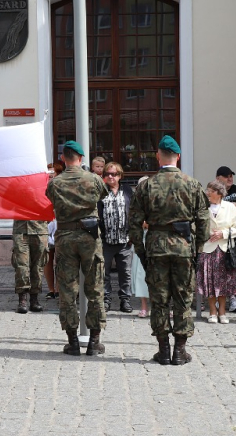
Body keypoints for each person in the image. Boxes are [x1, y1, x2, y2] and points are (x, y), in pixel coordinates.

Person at [130, 136, 209, 365]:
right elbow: (204, 221)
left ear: (158, 155)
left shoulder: (146, 185)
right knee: (183, 298)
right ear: (178, 157)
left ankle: (164, 350)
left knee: (160, 299)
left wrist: (140, 249)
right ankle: (179, 351)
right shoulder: (192, 184)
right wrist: (198, 249)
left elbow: (134, 222)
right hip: (184, 248)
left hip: (156, 248)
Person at [46, 140, 107, 356]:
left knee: (67, 290)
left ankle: (72, 341)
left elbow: (50, 199)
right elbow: (103, 196)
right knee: (95, 288)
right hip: (89, 237)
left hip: (65, 237)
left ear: (63, 157)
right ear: (80, 158)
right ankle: (94, 342)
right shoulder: (94, 179)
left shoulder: (55, 183)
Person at [197, 180, 236, 325]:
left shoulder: (230, 207)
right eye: (207, 189)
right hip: (208, 249)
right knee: (209, 282)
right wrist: (207, 234)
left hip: (224, 250)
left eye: (211, 190)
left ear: (219, 193)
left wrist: (223, 233)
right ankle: (212, 312)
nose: (207, 192)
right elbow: (196, 225)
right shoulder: (203, 207)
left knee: (223, 283)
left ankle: (222, 312)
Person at [98, 161, 134, 313]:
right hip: (105, 240)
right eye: (107, 174)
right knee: (104, 273)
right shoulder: (100, 191)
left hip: (124, 240)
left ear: (120, 176)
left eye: (114, 174)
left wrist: (133, 232)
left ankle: (125, 300)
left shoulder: (127, 190)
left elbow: (134, 212)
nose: (111, 177)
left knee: (125, 273)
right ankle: (106, 300)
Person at [216, 165, 236, 313]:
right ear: (218, 178)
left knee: (235, 266)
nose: (230, 178)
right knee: (218, 268)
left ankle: (233, 297)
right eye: (226, 176)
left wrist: (225, 207)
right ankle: (219, 298)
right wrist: (234, 206)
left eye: (231, 175)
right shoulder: (213, 191)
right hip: (218, 236)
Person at [12, 218, 49, 314]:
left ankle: (34, 299)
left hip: (40, 230)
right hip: (21, 230)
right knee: (22, 266)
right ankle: (22, 300)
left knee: (38, 267)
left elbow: (51, 207)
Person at [130, 176, 150, 318]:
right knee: (141, 274)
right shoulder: (135, 201)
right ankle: (144, 306)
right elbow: (131, 218)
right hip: (141, 239)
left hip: (157, 239)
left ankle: (161, 307)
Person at [44, 160, 64, 300]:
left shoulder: (62, 188)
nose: (50, 178)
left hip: (60, 223)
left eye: (53, 174)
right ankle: (51, 289)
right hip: (47, 224)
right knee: (48, 258)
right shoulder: (41, 189)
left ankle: (58, 287)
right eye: (48, 175)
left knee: (60, 259)